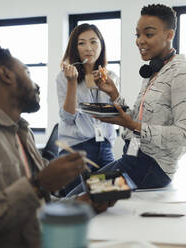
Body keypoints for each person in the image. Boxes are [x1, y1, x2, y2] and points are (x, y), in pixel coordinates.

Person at [0, 43, 114, 248]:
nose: (37, 85)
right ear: (5, 75)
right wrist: (37, 185)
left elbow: (39, 205)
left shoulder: (23, 133)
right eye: (27, 72)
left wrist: (83, 202)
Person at [68, 4, 186, 196]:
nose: (140, 41)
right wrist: (114, 94)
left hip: (152, 167)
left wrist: (134, 125)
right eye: (137, 35)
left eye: (149, 34)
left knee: (80, 197)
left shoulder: (181, 74)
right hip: (133, 159)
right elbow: (136, 119)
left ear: (169, 35)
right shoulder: (153, 71)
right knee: (76, 194)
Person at [56, 23, 120, 195]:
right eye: (81, 43)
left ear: (101, 46)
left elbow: (120, 116)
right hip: (77, 148)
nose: (88, 48)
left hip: (104, 148)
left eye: (93, 42)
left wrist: (112, 91)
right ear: (75, 48)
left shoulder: (111, 77)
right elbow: (68, 118)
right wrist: (72, 83)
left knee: (108, 198)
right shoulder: (64, 77)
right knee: (75, 201)